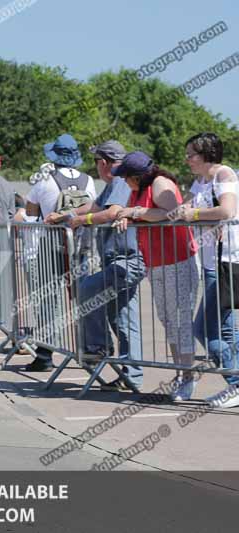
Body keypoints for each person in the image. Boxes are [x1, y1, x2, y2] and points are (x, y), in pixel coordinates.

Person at [49, 141, 146, 391]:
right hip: (119, 259)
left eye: (96, 162)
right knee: (124, 319)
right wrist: (64, 216)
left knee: (86, 289)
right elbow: (92, 206)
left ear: (103, 163)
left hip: (127, 260)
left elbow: (112, 212)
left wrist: (81, 220)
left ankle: (97, 348)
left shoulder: (120, 182)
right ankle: (131, 375)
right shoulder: (114, 184)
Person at [114, 151, 199, 399]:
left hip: (177, 260)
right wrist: (128, 216)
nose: (124, 182)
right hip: (157, 261)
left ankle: (187, 376)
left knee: (180, 321)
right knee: (168, 320)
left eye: (126, 177)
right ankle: (180, 373)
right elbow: (143, 214)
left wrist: (136, 213)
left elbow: (173, 213)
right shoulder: (138, 190)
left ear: (138, 176)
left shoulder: (161, 184)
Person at [18, 133, 97, 372]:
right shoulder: (89, 180)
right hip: (80, 244)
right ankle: (88, 349)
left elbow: (31, 215)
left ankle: (45, 353)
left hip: (50, 244)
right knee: (82, 297)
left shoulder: (45, 181)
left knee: (48, 300)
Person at [177, 133, 239, 408]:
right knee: (225, 331)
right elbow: (184, 206)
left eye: (191, 154)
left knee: (205, 329)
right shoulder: (200, 180)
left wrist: (195, 215)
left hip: (227, 261)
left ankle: (236, 383)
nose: (187, 159)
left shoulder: (223, 175)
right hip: (210, 263)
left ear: (206, 155)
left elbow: (227, 210)